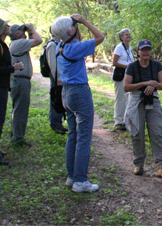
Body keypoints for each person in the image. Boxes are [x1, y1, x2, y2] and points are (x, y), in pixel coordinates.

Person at [51, 13, 104, 193]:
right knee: (83, 137)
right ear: (69, 31)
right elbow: (100, 37)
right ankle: (81, 181)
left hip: (67, 92)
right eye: (73, 26)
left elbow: (76, 38)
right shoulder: (74, 49)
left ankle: (71, 176)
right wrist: (84, 21)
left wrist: (75, 26)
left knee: (73, 135)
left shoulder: (60, 46)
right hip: (79, 92)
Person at [124, 40, 162, 178]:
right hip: (136, 99)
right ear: (138, 52)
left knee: (156, 132)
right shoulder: (132, 66)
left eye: (148, 49)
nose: (146, 52)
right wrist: (145, 83)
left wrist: (154, 84)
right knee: (137, 133)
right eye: (143, 50)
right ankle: (139, 164)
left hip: (152, 99)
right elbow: (126, 87)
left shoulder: (155, 65)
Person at [0, 18, 24, 165]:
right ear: (1, 29)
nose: (9, 27)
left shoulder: (0, 44)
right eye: (6, 25)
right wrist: (14, 68)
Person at [9, 23, 42, 147]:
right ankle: (18, 138)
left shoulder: (17, 44)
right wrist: (32, 29)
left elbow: (32, 41)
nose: (24, 32)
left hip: (19, 80)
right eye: (22, 31)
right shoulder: (18, 43)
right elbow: (38, 40)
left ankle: (15, 134)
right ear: (17, 34)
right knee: (21, 110)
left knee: (17, 108)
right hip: (21, 80)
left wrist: (29, 32)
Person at [111, 28, 134, 131]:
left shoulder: (129, 48)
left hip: (128, 76)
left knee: (128, 98)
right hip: (120, 76)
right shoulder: (119, 48)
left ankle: (125, 120)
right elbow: (114, 63)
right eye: (126, 35)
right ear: (121, 37)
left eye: (129, 34)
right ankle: (118, 121)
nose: (128, 36)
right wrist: (128, 67)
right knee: (120, 98)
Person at [46, 30, 68, 134]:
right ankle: (55, 123)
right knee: (56, 100)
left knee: (60, 100)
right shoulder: (52, 44)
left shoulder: (58, 43)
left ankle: (59, 122)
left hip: (60, 77)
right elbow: (53, 64)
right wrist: (58, 78)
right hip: (56, 78)